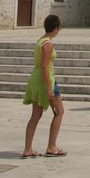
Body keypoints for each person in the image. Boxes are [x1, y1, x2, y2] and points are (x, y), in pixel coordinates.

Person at [22, 13, 65, 157]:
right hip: (45, 80)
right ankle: (52, 146)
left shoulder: (40, 41)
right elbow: (45, 67)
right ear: (56, 28)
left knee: (35, 115)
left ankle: (28, 149)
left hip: (35, 79)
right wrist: (49, 88)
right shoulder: (48, 44)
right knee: (59, 112)